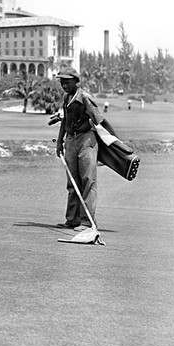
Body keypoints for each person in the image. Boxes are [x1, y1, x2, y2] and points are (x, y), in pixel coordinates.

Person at [55, 67, 103, 231]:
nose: (64, 85)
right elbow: (65, 120)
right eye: (62, 82)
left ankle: (87, 222)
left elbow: (99, 121)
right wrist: (59, 141)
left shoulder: (85, 98)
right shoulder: (66, 97)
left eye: (67, 82)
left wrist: (112, 145)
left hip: (85, 140)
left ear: (76, 81)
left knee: (87, 181)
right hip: (70, 141)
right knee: (72, 183)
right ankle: (72, 219)